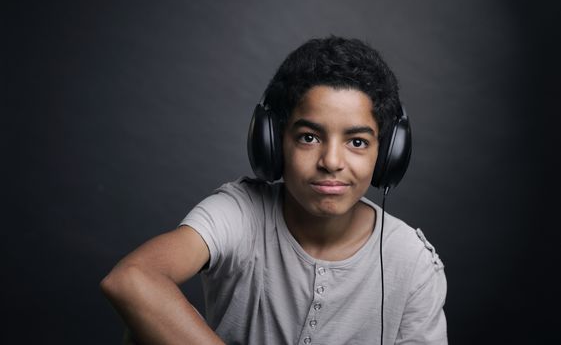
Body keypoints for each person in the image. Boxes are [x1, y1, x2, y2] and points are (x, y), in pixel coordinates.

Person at [101, 36, 447, 345]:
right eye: (309, 137)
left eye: (357, 142)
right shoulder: (240, 212)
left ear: (387, 154)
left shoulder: (412, 263)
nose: (331, 161)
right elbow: (132, 279)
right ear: (273, 142)